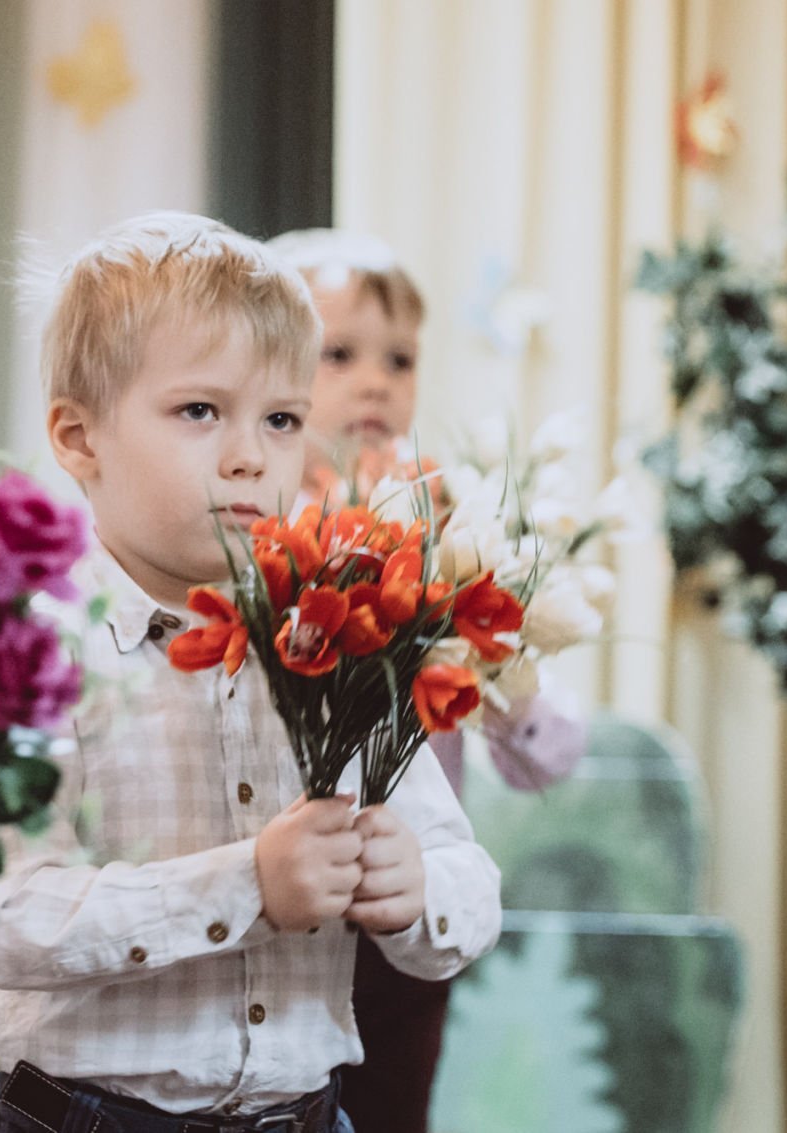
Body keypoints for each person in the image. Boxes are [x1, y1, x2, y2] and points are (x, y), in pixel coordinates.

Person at [0, 212, 502, 1133]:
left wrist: (419, 892)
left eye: (281, 418)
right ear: (78, 437)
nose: (251, 455)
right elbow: (8, 920)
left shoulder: (339, 636)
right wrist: (249, 882)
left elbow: (464, 872)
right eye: (200, 410)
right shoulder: (17, 651)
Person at [267, 227, 586, 1132]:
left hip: (404, 896)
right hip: (286, 894)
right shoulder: (253, 532)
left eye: (399, 359)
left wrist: (506, 668)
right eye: (339, 355)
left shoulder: (450, 530)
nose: (375, 382)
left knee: (395, 1104)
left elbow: (539, 747)